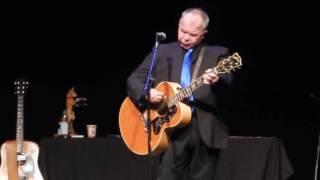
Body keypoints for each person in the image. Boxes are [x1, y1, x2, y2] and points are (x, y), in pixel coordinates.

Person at [126, 7, 233, 180]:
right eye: (182, 31)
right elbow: (134, 80)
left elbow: (228, 82)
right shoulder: (162, 52)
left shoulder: (217, 54)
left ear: (203, 34)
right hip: (170, 128)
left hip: (204, 128)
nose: (185, 37)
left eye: (192, 34)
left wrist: (217, 80)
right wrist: (148, 94)